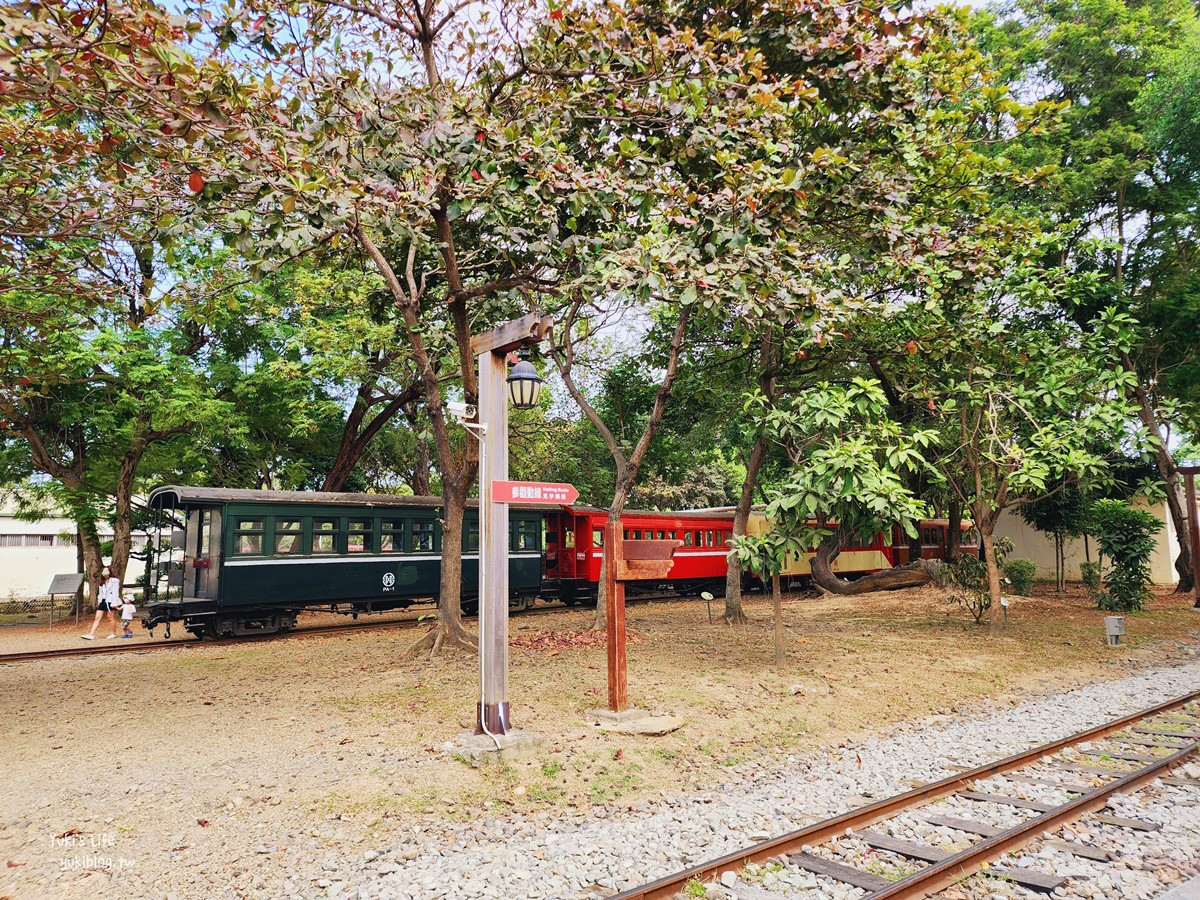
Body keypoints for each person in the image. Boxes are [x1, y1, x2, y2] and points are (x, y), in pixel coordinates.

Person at [82, 566, 120, 640]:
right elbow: (100, 593)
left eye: (106, 570)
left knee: (110, 617)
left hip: (110, 601)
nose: (105, 572)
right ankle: (91, 634)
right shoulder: (101, 582)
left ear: (110, 572)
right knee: (97, 617)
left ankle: (114, 633)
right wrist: (99, 601)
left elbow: (115, 592)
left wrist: (114, 603)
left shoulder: (115, 581)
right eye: (104, 570)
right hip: (103, 601)